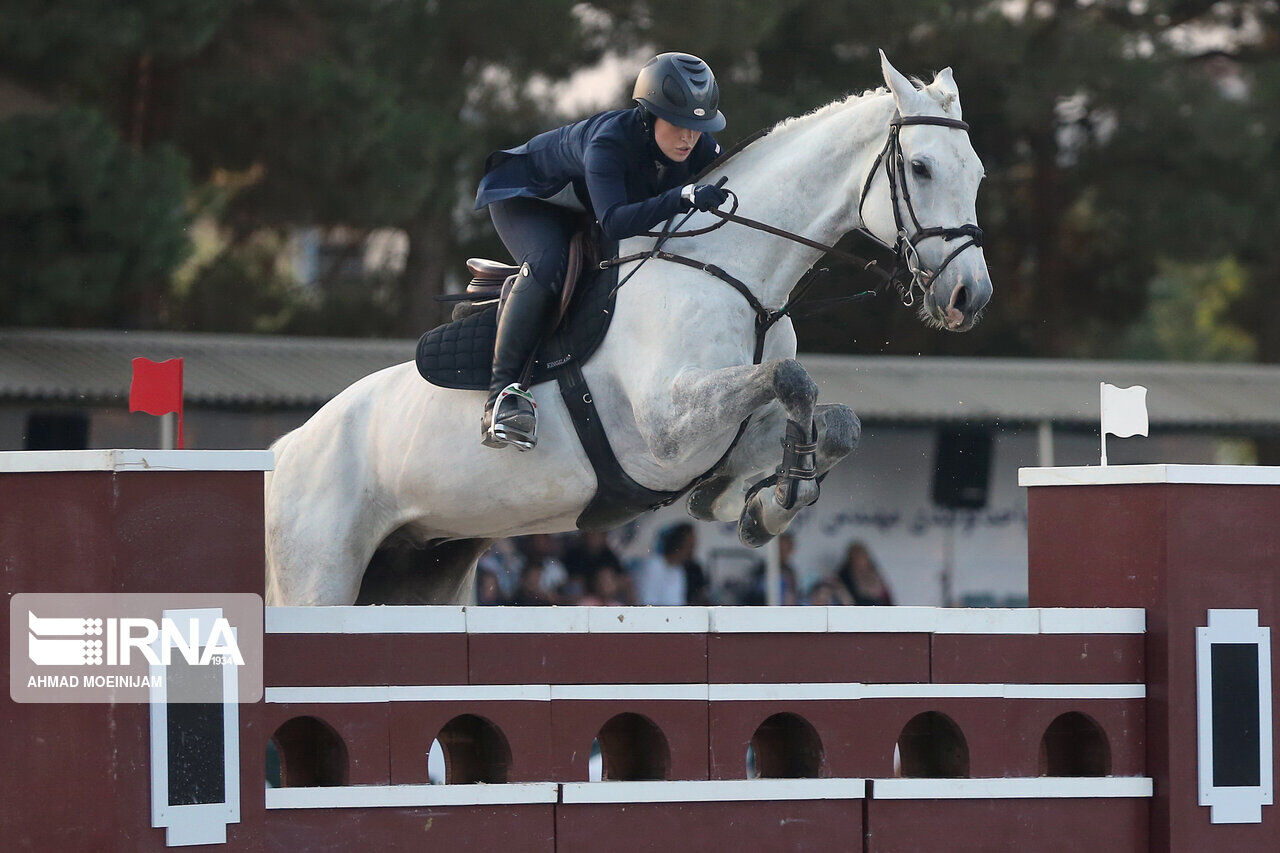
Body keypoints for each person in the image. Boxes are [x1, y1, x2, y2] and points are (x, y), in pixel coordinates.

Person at [473, 52, 728, 449]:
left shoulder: (698, 144)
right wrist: (684, 195)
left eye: (698, 127)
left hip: (586, 206)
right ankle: (501, 398)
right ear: (649, 115)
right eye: (679, 124)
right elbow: (615, 221)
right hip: (527, 199)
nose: (688, 138)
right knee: (547, 262)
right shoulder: (609, 143)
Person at [634, 522, 696, 606]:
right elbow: (648, 601)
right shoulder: (654, 565)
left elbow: (678, 603)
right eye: (690, 545)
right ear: (679, 543)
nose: (692, 549)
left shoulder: (679, 571)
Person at [833, 540, 894, 606]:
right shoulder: (844, 578)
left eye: (862, 558)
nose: (860, 563)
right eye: (856, 559)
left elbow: (887, 600)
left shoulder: (875, 575)